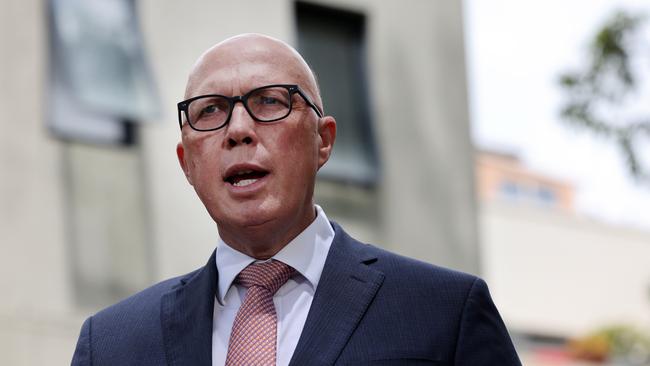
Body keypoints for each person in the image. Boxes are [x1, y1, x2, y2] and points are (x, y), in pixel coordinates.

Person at [71, 33, 521, 366]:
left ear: (323, 141)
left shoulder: (443, 313)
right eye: (210, 110)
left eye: (269, 101)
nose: (238, 129)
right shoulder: (111, 344)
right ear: (186, 161)